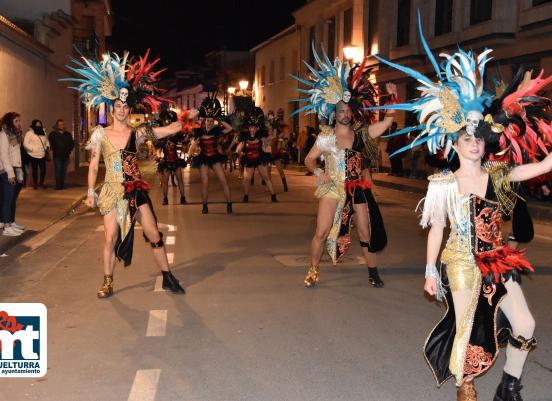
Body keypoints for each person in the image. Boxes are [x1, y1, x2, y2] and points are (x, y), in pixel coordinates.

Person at [372, 15, 552, 400]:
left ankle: (510, 384)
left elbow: (540, 166)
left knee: (526, 323)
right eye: (465, 138)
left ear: (485, 144)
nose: (473, 143)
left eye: (478, 139)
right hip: (460, 263)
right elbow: (436, 228)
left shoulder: (499, 175)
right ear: (453, 144)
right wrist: (428, 270)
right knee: (468, 327)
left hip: (498, 261)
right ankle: (464, 385)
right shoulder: (442, 184)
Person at [64, 50, 185, 297]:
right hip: (110, 191)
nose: (121, 110)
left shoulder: (137, 133)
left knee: (153, 233)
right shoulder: (100, 133)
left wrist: (183, 121)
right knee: (110, 237)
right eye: (117, 106)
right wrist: (90, 191)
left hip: (135, 190)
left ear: (129, 109)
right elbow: (95, 165)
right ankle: (107, 281)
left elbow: (166, 130)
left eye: (125, 106)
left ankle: (168, 277)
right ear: (111, 109)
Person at [291, 44, 397, 288]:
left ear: (354, 111)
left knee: (364, 232)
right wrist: (318, 171)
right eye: (341, 110)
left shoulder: (361, 134)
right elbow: (309, 159)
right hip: (331, 188)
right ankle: (313, 269)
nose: (345, 113)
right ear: (333, 112)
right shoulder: (326, 137)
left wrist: (392, 97)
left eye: (349, 109)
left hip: (357, 188)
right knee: (322, 230)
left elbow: (388, 122)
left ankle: (373, 271)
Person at [189, 95, 234, 214]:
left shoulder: (216, 131)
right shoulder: (199, 133)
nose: (208, 123)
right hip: (203, 158)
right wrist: (190, 154)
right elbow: (193, 145)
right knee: (205, 182)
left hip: (215, 158)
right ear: (203, 121)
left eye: (210, 121)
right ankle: (204, 205)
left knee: (223, 180)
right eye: (207, 121)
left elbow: (229, 128)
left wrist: (219, 119)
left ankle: (229, 203)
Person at [0, 112, 25, 236]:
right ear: (10, 122)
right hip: (7, 170)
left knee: (12, 198)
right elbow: (4, 156)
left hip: (15, 168)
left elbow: (16, 154)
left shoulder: (12, 135)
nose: (19, 123)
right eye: (16, 121)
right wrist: (10, 173)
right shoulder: (3, 136)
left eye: (19, 120)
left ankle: (10, 222)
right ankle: (6, 227)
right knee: (7, 199)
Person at [236, 107, 277, 203]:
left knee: (266, 177)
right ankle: (245, 196)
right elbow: (240, 147)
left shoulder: (260, 135)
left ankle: (273, 195)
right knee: (247, 179)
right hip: (249, 159)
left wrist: (273, 127)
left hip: (259, 158)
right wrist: (236, 153)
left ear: (257, 127)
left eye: (254, 127)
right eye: (250, 127)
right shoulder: (245, 136)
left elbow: (271, 138)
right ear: (248, 127)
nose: (252, 129)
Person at [156, 110, 187, 205]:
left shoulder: (176, 134)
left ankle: (183, 198)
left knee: (180, 180)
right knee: (165, 181)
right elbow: (158, 150)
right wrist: (158, 157)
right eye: (165, 120)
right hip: (166, 161)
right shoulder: (161, 136)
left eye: (169, 120)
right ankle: (165, 198)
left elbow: (183, 142)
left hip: (176, 160)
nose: (167, 122)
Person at [48, 119, 75, 190]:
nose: (61, 126)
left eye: (62, 124)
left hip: (65, 155)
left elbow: (72, 144)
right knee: (58, 170)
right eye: (60, 124)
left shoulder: (67, 134)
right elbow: (50, 143)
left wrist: (69, 151)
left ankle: (62, 184)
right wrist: (54, 150)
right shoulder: (53, 134)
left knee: (64, 170)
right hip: (57, 155)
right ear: (57, 126)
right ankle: (58, 185)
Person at [23, 119, 49, 189]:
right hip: (33, 155)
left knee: (43, 170)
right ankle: (35, 184)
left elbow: (46, 140)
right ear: (34, 125)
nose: (39, 126)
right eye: (37, 124)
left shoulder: (43, 132)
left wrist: (47, 146)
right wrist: (32, 149)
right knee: (35, 170)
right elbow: (25, 143)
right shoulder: (29, 133)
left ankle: (41, 183)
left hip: (42, 154)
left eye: (40, 124)